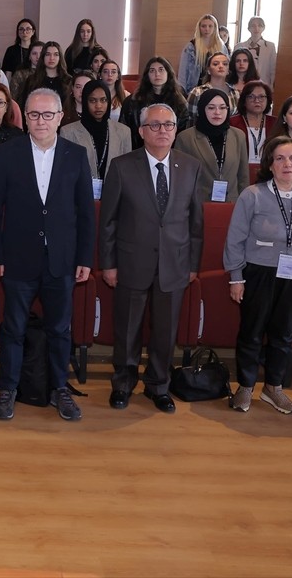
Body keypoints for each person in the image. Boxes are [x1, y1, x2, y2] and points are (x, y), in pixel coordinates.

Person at [0, 88, 95, 422]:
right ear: (24, 117)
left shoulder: (76, 154)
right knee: (14, 328)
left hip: (61, 260)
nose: (41, 121)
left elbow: (86, 213)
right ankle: (8, 389)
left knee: (60, 329)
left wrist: (85, 258)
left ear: (61, 117)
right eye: (34, 114)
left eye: (48, 114)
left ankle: (59, 388)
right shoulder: (7, 153)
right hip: (18, 257)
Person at [99, 103, 204, 414]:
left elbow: (195, 223)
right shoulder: (121, 166)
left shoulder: (190, 166)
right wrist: (109, 263)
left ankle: (159, 385)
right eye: (155, 125)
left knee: (165, 331)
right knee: (128, 329)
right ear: (142, 131)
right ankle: (123, 384)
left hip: (175, 263)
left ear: (176, 130)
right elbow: (108, 222)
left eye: (168, 125)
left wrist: (193, 265)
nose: (162, 131)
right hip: (131, 262)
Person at [224, 136, 292, 413]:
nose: (287, 164)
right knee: (252, 332)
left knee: (284, 333)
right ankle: (245, 387)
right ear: (269, 164)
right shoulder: (253, 195)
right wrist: (236, 277)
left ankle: (273, 387)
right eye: (279, 158)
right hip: (258, 273)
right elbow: (235, 240)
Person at [175, 88, 249, 204]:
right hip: (198, 206)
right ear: (201, 109)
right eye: (211, 107)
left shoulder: (238, 136)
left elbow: (243, 177)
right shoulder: (185, 138)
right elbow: (180, 179)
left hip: (232, 204)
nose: (217, 112)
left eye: (222, 107)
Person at [59, 79, 133, 193]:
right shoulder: (68, 132)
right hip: (80, 196)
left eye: (103, 100)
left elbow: (127, 171)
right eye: (92, 100)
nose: (98, 105)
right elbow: (66, 172)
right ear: (85, 102)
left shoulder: (123, 132)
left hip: (114, 196)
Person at [118, 56, 189, 149]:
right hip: (138, 151)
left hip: (170, 151)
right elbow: (123, 131)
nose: (157, 74)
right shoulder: (133, 101)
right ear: (147, 75)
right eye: (152, 71)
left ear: (168, 73)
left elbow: (183, 134)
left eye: (161, 70)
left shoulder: (179, 102)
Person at [185, 52, 238, 124]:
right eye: (215, 64)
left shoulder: (235, 93)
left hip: (228, 133)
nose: (221, 66)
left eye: (225, 64)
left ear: (228, 70)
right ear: (208, 70)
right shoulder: (197, 92)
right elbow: (191, 120)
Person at [229, 80, 275, 163]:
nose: (257, 100)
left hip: (269, 171)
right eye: (251, 96)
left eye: (261, 97)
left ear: (268, 100)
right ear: (244, 101)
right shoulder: (232, 123)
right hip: (241, 170)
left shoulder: (275, 123)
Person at [18, 41, 69, 112]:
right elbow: (25, 106)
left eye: (56, 54)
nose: (52, 58)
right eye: (48, 54)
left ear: (60, 57)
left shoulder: (68, 80)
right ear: (43, 57)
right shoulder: (32, 80)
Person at [179, 14, 226, 91]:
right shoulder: (191, 47)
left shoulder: (221, 46)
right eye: (203, 26)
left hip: (215, 88)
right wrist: (182, 91)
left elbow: (226, 68)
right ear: (199, 28)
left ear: (215, 28)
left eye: (210, 26)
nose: (207, 29)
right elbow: (182, 72)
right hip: (194, 88)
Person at [236, 16, 277, 87]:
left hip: (264, 84)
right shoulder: (239, 46)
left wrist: (272, 86)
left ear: (263, 28)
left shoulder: (270, 46)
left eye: (259, 25)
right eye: (253, 26)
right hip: (243, 84)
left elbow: (273, 69)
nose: (256, 28)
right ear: (249, 28)